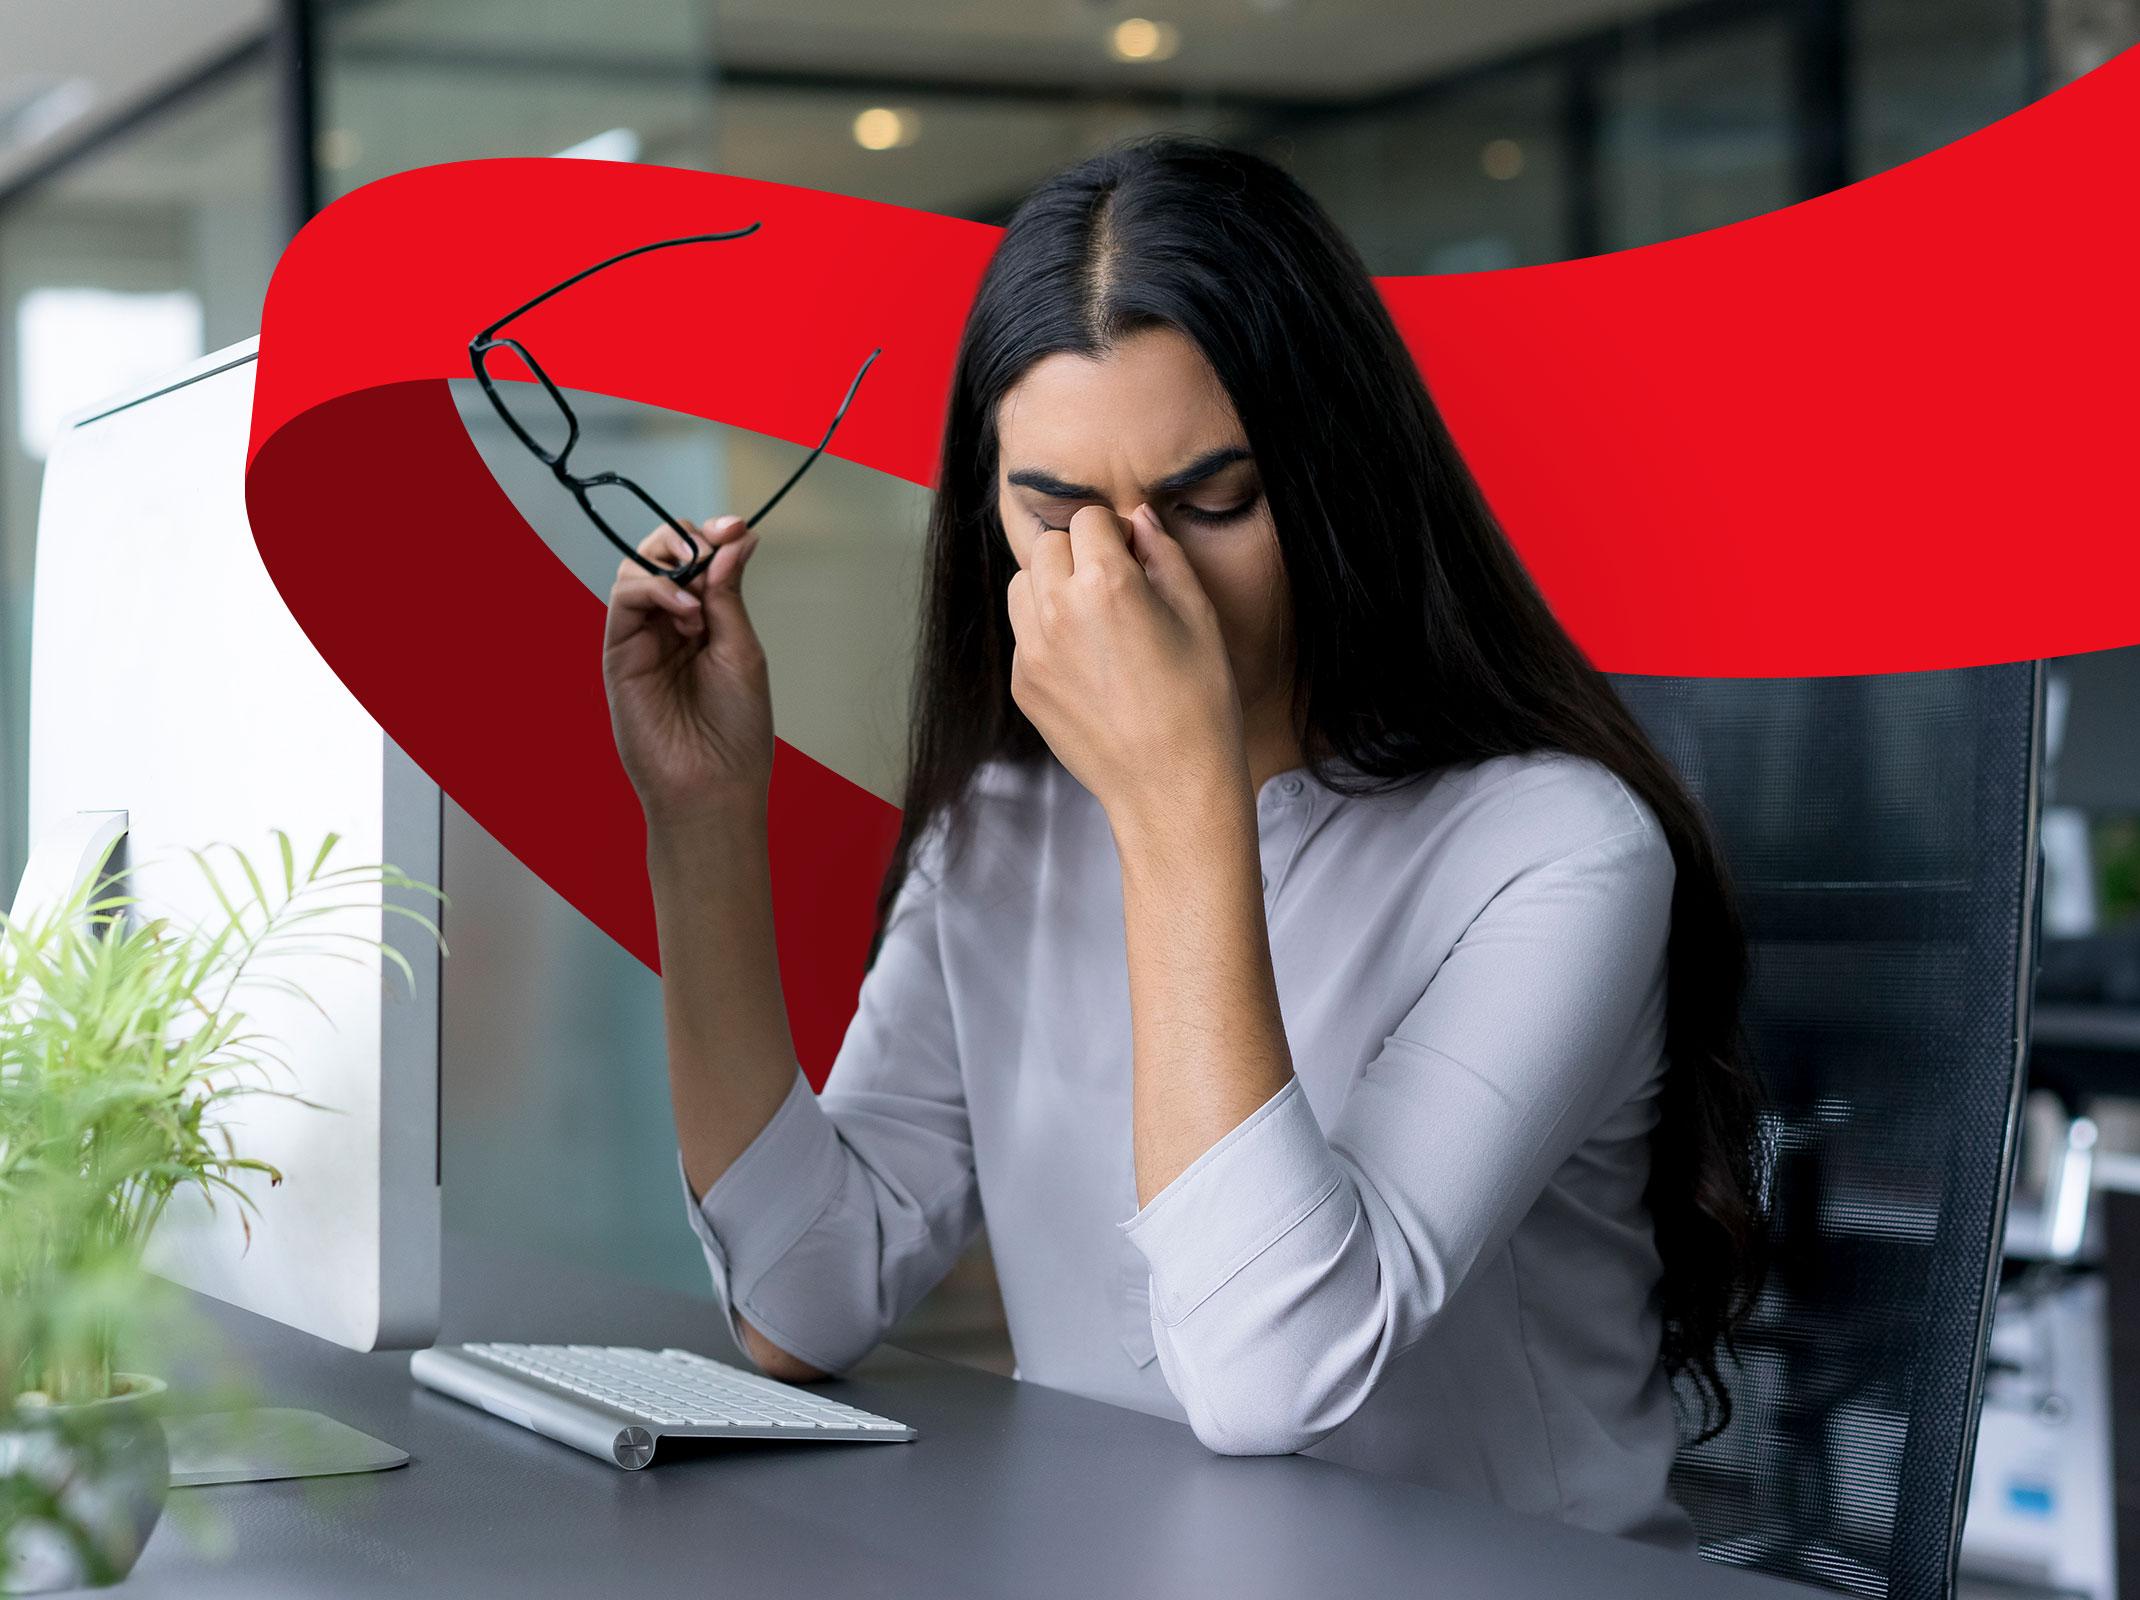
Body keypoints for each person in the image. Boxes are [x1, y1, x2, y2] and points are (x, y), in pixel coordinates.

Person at [599, 130, 1767, 1547]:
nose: (1122, 576)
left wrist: (1171, 800)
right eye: (1055, 513)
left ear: (1336, 483)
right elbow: (802, 1300)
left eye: (1211, 505)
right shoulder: (1004, 829)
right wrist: (703, 821)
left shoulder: (1559, 851)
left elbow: (1275, 1373)